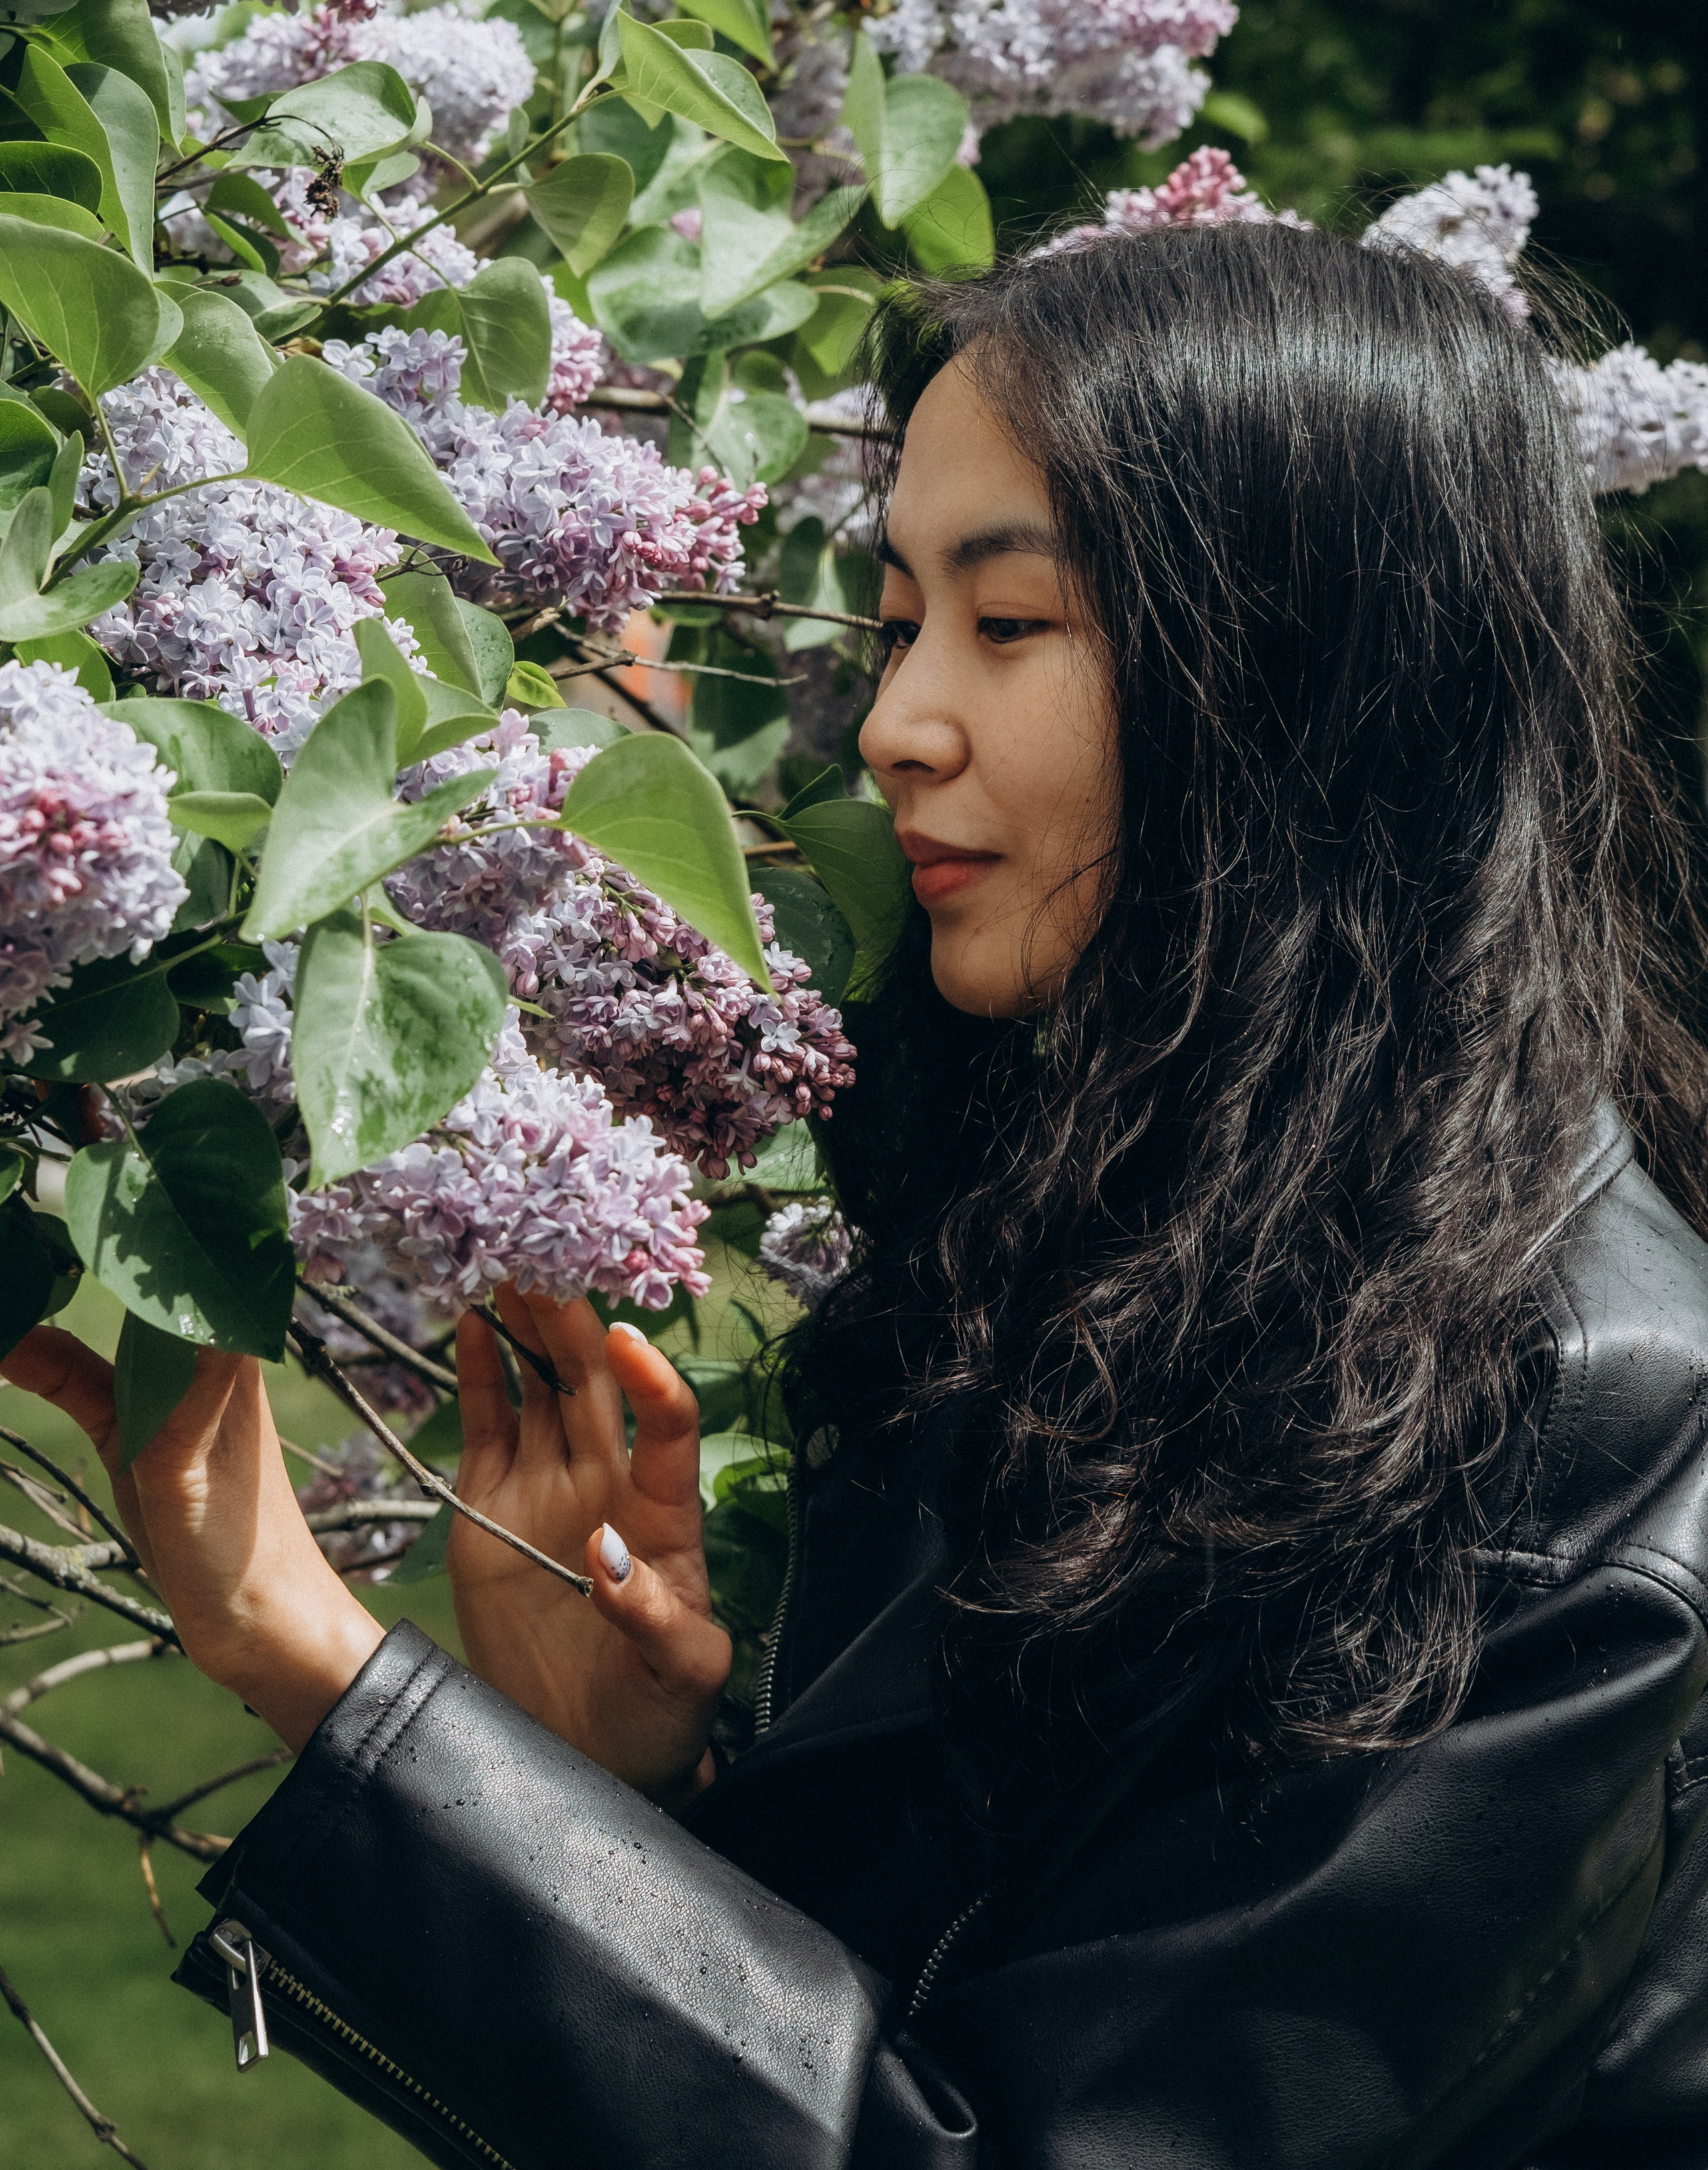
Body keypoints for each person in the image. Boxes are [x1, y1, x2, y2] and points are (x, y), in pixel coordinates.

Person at [11, 220, 1708, 2170]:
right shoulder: (1144, 1243)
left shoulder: (1573, 1416)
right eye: (903, 620)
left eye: (1010, 624)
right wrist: (625, 1790)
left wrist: (328, 1667)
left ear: (1311, 676)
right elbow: (957, 1984)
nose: (899, 720)